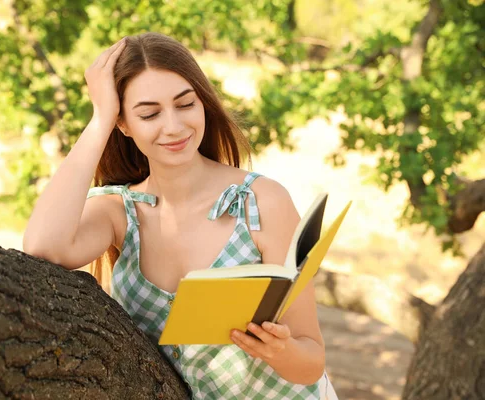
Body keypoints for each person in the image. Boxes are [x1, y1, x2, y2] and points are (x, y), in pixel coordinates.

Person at [23, 32, 335, 400]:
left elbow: (311, 361)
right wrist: (99, 119)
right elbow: (43, 247)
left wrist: (281, 351)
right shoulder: (118, 212)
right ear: (123, 124)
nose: (173, 126)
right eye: (149, 113)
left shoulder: (261, 202)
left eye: (185, 104)